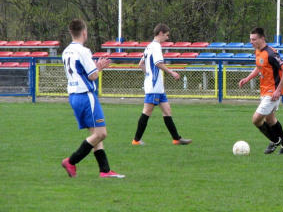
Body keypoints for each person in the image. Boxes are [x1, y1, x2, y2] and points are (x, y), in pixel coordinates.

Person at [61, 18, 125, 178]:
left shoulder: (66, 51)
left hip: (74, 96)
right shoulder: (83, 51)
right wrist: (99, 67)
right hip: (86, 96)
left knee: (95, 135)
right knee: (101, 134)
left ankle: (105, 170)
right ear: (84, 32)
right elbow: (93, 75)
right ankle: (71, 161)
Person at [132, 24, 192, 146]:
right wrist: (172, 72)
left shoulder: (149, 47)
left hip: (157, 86)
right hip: (154, 86)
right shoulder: (156, 46)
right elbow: (158, 63)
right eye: (166, 35)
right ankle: (136, 140)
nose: (167, 38)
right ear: (160, 33)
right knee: (147, 111)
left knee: (167, 110)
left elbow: (141, 64)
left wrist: (148, 74)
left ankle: (176, 139)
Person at [238, 27, 283, 154]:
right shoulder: (258, 51)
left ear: (262, 39)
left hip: (272, 92)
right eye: (250, 39)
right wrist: (247, 78)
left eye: (254, 39)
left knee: (256, 119)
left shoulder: (271, 53)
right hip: (264, 90)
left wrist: (278, 90)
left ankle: (275, 140)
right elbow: (259, 68)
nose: (251, 42)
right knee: (270, 120)